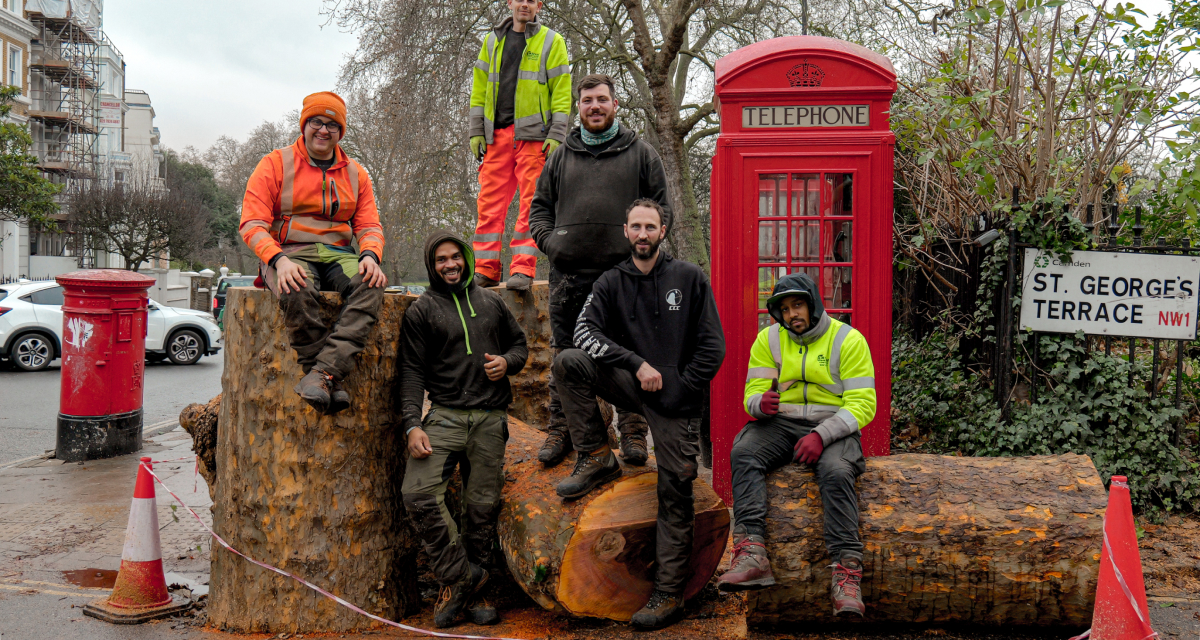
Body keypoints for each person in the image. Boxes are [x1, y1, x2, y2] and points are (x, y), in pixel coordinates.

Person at [552, 199, 725, 629]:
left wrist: (680, 389)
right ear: (625, 232)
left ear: (662, 231)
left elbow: (713, 348)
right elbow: (583, 331)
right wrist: (634, 363)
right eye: (636, 227)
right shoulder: (613, 281)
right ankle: (596, 456)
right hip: (635, 382)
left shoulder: (688, 278)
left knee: (676, 490)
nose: (643, 234)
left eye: (651, 226)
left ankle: (668, 594)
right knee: (569, 362)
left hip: (677, 401)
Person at [529, 73, 672, 467]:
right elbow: (539, 209)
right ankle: (566, 431)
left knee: (632, 350)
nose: (595, 106)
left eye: (602, 100)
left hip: (625, 277)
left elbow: (663, 211)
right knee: (566, 354)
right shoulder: (560, 156)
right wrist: (551, 242)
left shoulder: (641, 154)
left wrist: (643, 257)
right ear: (578, 106)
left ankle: (633, 431)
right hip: (569, 278)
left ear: (615, 105)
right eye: (587, 100)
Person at [716, 273, 876, 617]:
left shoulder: (848, 340)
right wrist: (761, 404)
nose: (792, 315)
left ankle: (847, 577)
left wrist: (822, 434)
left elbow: (864, 404)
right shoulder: (768, 340)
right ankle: (752, 553)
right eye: (785, 309)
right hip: (782, 423)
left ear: (814, 302)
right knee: (743, 451)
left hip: (833, 423)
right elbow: (750, 394)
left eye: (798, 305)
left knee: (835, 471)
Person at [399, 231, 529, 628]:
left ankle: (479, 591)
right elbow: (411, 372)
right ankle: (461, 577)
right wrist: (411, 425)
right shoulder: (422, 310)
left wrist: (507, 362)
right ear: (431, 265)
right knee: (417, 495)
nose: (450, 265)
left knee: (481, 508)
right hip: (445, 417)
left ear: (467, 259)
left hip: (490, 419)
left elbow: (520, 347)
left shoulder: (492, 302)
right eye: (441, 260)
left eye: (456, 257)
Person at [240, 91, 387, 415]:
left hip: (338, 252)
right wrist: (278, 260)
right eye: (317, 122)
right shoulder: (274, 164)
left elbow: (369, 226)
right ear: (304, 125)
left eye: (332, 124)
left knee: (372, 284)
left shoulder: (357, 174)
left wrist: (370, 256)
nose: (323, 130)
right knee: (296, 287)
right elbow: (252, 222)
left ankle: (320, 375)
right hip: (288, 252)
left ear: (341, 131)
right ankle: (327, 376)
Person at [468, 0, 571, 290]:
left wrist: (556, 134)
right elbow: (478, 90)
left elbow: (562, 91)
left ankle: (522, 270)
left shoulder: (552, 41)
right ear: (510, 3)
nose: (524, 4)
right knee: (488, 205)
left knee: (531, 205)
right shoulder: (491, 41)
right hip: (496, 136)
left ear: (539, 5)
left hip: (534, 138)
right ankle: (485, 270)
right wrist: (477, 130)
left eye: (531, 0)